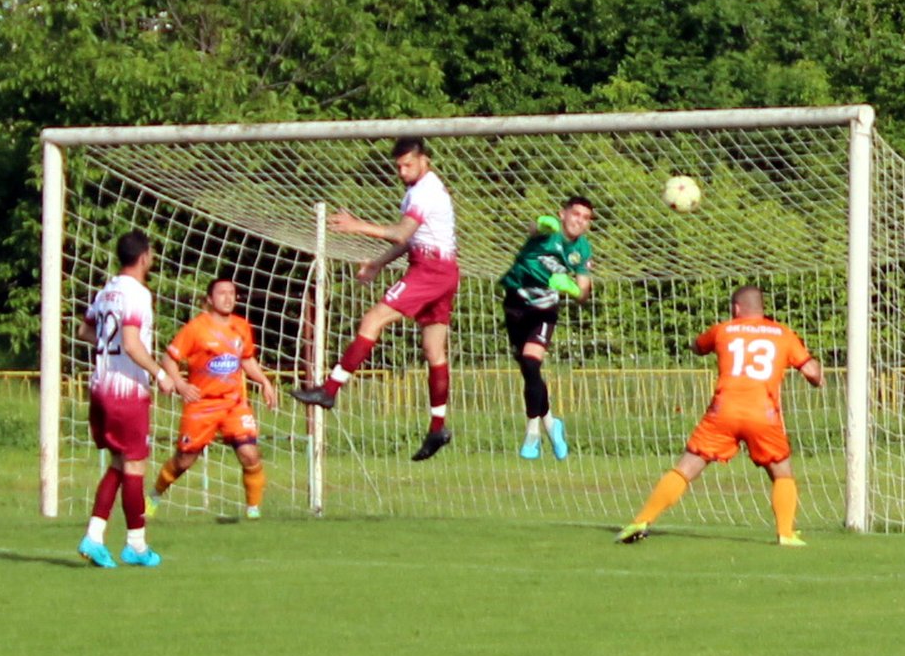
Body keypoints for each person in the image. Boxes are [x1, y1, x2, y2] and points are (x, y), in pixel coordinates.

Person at [291, 136, 459, 461]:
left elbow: (400, 233)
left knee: (372, 320)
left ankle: (329, 390)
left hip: (431, 270)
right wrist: (379, 264)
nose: (402, 171)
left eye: (408, 164)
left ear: (425, 160)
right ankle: (438, 427)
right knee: (434, 351)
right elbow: (409, 240)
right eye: (398, 166)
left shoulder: (426, 191)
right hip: (440, 269)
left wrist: (357, 226)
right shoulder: (417, 190)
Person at [617, 284, 823, 548]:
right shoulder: (782, 334)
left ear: (736, 308)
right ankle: (785, 533)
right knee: (781, 471)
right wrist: (817, 371)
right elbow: (812, 374)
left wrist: (696, 345)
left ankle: (642, 520)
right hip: (763, 414)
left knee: (687, 467)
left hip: (723, 412)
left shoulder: (723, 330)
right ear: (762, 308)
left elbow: (698, 345)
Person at [76, 230, 197, 567]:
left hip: (100, 386)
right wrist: (160, 373)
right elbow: (131, 342)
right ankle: (136, 545)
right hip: (125, 391)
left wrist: (108, 348)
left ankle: (95, 536)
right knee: (134, 467)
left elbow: (84, 331)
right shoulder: (137, 294)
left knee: (118, 463)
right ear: (144, 257)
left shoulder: (107, 291)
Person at [150, 276, 279, 520]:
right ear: (210, 299)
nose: (228, 298)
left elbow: (246, 358)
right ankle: (154, 495)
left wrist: (264, 382)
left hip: (234, 402)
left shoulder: (241, 327)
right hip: (202, 403)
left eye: (232, 293)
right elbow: (169, 359)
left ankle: (253, 512)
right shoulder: (196, 328)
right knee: (183, 461)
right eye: (222, 293)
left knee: (250, 454)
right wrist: (180, 383)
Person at [498, 195, 596, 460]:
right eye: (576, 214)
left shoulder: (582, 250)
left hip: (544, 310)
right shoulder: (548, 231)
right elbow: (534, 229)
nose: (580, 221)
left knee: (532, 363)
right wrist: (542, 224)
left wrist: (573, 288)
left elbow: (584, 292)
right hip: (516, 302)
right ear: (563, 214)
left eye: (586, 218)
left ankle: (532, 432)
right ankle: (551, 423)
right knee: (528, 372)